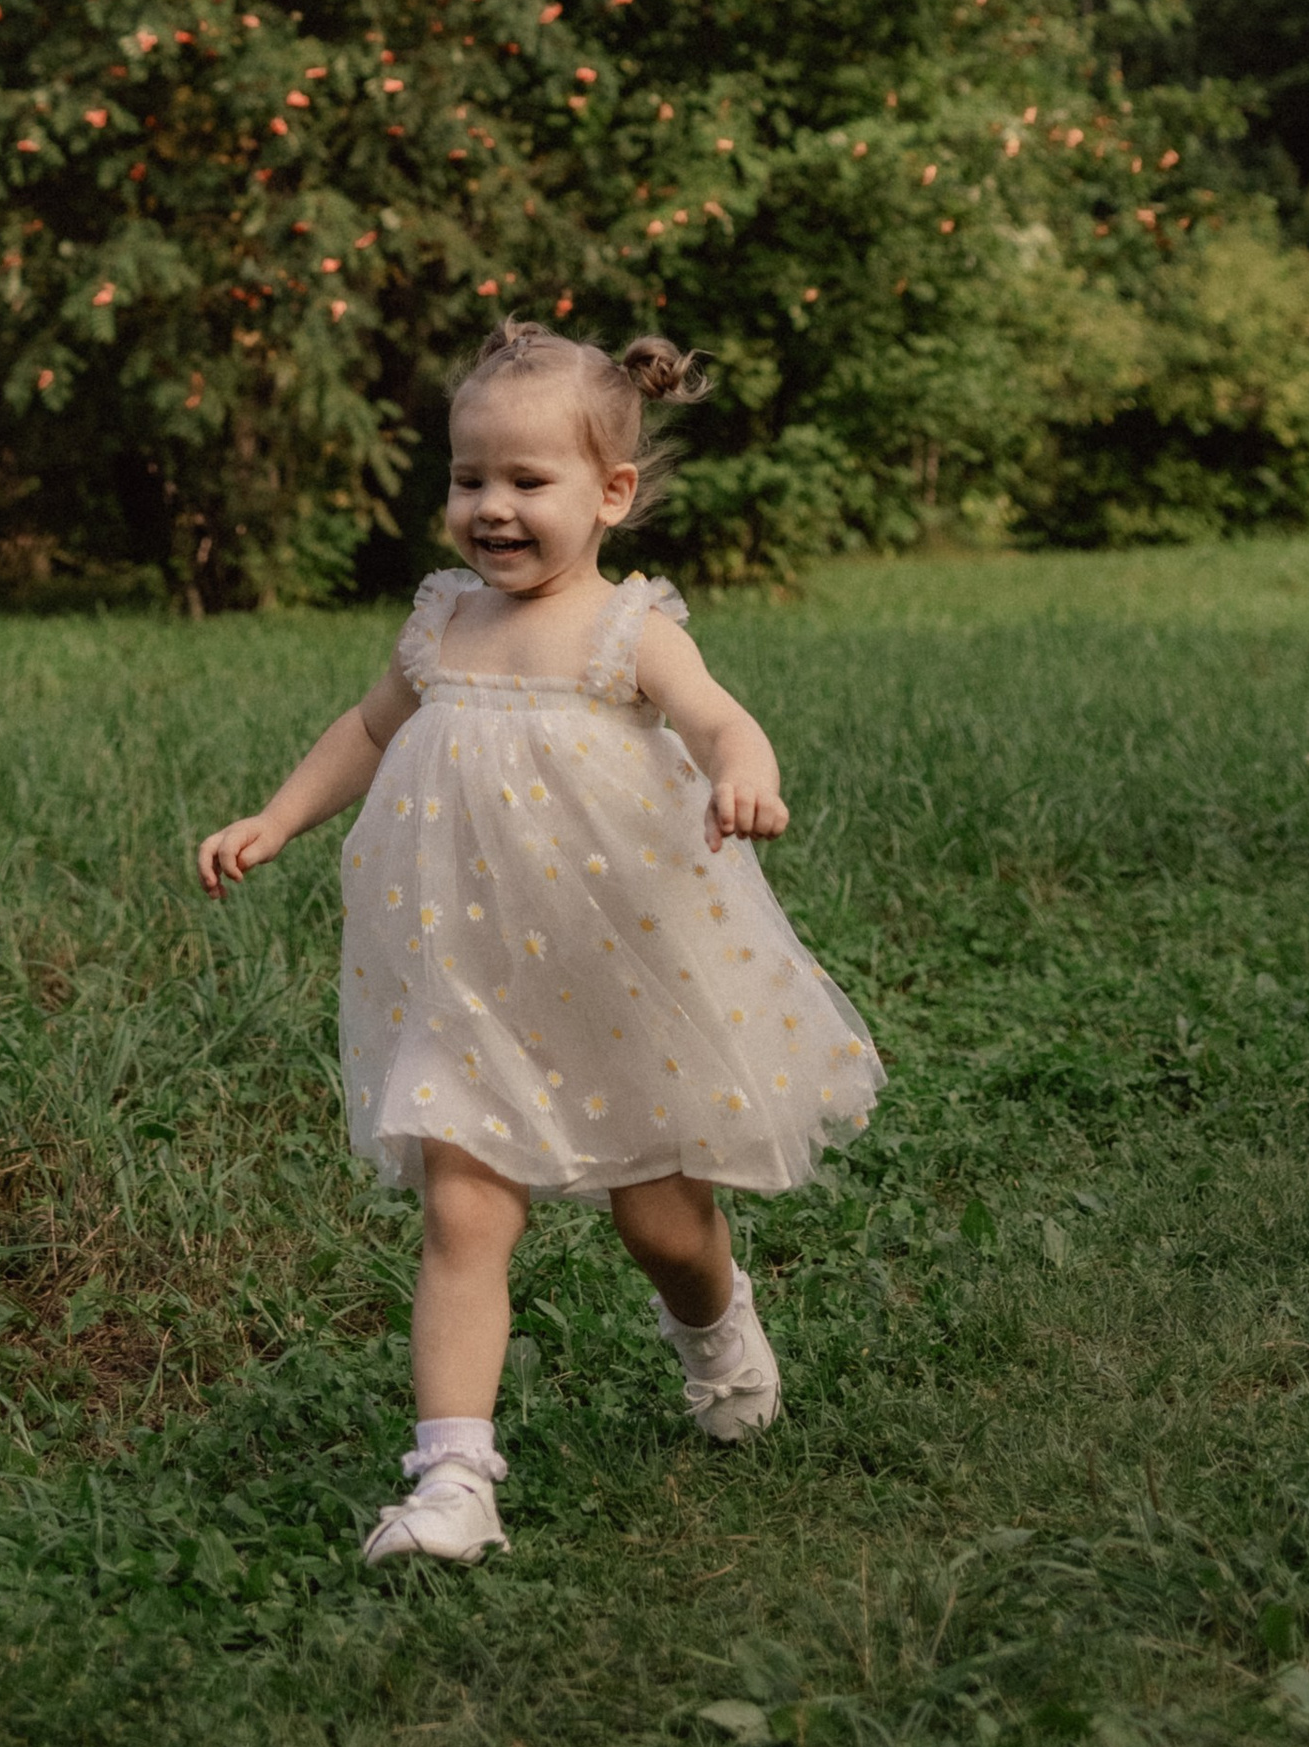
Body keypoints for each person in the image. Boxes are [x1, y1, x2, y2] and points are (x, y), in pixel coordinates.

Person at [195, 317, 883, 1568]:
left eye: (528, 482)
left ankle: (718, 1329)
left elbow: (724, 722)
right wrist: (277, 816)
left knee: (661, 1225)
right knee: (464, 1213)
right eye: (469, 480)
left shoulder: (629, 632)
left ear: (611, 493)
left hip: (621, 978)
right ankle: (452, 1478)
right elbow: (364, 731)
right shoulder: (443, 620)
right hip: (465, 978)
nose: (491, 509)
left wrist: (745, 776)